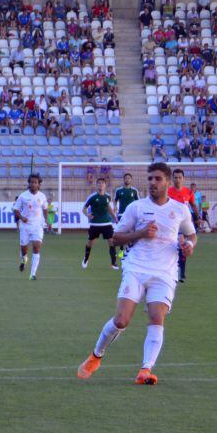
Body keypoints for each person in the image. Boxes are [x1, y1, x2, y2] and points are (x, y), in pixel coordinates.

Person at [77, 162, 197, 385]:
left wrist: (189, 245)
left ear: (168, 182)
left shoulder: (180, 209)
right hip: (136, 268)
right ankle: (96, 356)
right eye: (150, 178)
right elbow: (115, 238)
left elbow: (191, 234)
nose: (153, 182)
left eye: (158, 179)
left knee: (157, 317)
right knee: (121, 320)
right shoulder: (137, 207)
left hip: (164, 272)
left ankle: (145, 370)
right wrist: (141, 233)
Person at [13, 174, 50, 280]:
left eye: (35, 182)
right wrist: (22, 217)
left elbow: (45, 209)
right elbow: (15, 209)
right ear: (29, 183)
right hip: (25, 226)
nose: (33, 184)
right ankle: (24, 259)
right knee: (24, 250)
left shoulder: (42, 196)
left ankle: (32, 274)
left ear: (39, 184)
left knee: (36, 247)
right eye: (31, 182)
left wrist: (47, 220)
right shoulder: (23, 196)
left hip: (38, 226)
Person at [168, 169, 200, 282]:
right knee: (174, 247)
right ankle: (176, 271)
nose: (177, 180)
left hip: (185, 224)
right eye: (175, 177)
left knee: (183, 246)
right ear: (172, 179)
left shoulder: (188, 192)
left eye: (180, 177)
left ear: (183, 179)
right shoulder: (168, 192)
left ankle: (181, 272)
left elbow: (193, 205)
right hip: (172, 223)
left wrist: (197, 217)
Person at [82, 178, 119, 270]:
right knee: (90, 242)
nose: (101, 184)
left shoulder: (108, 196)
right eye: (99, 183)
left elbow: (109, 208)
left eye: (102, 183)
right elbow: (84, 209)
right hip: (95, 224)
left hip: (107, 223)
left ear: (105, 185)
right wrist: (87, 215)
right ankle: (86, 258)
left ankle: (113, 263)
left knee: (112, 242)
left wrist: (115, 218)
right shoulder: (92, 197)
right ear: (96, 185)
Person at [114, 173, 140, 260]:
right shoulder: (119, 190)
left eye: (129, 178)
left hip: (132, 216)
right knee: (121, 234)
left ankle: (130, 251)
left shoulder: (134, 191)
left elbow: (138, 202)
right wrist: (115, 206)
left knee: (132, 234)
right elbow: (115, 200)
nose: (127, 179)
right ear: (124, 179)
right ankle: (121, 253)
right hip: (121, 215)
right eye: (126, 178)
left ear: (131, 180)